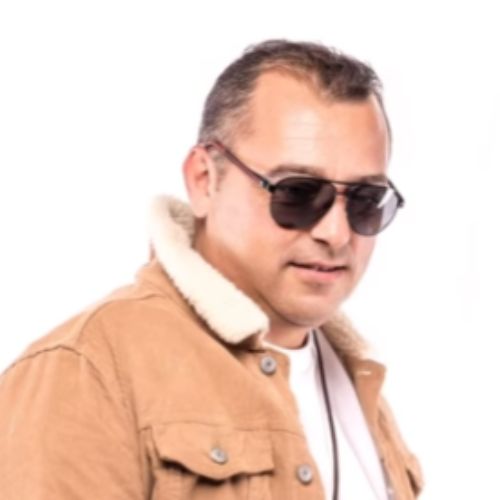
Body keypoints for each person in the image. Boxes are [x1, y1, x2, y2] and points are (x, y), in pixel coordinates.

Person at [0, 39, 423, 499]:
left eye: (365, 201)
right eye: (297, 193)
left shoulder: (359, 385)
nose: (337, 233)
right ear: (204, 180)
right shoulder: (88, 371)